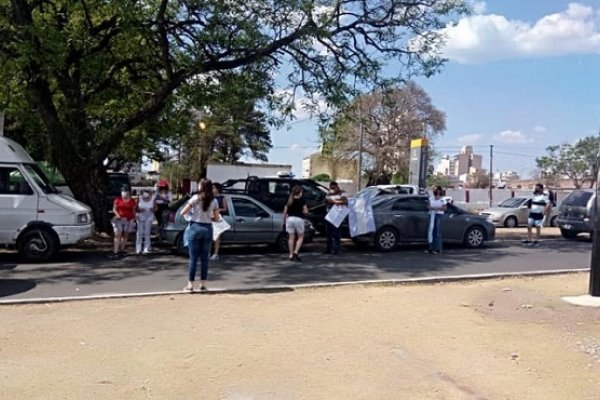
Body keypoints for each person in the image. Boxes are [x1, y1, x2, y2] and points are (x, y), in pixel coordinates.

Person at [179, 179, 219, 292]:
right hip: (207, 228)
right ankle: (203, 284)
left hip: (195, 226)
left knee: (193, 258)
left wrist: (191, 217)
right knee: (205, 258)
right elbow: (216, 218)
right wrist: (209, 218)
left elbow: (183, 212)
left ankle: (190, 285)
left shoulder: (196, 198)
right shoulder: (214, 201)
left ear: (201, 187)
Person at [283, 185, 309, 262]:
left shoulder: (289, 200)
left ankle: (290, 254)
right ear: (300, 192)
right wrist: (305, 212)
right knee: (300, 237)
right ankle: (296, 252)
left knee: (291, 238)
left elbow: (285, 212)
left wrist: (284, 222)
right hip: (298, 219)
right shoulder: (302, 200)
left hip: (289, 219)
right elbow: (306, 211)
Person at [111, 185, 136, 258]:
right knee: (118, 234)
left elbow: (133, 210)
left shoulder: (132, 201)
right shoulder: (117, 200)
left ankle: (122, 249)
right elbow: (114, 209)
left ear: (128, 193)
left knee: (126, 234)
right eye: (122, 191)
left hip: (129, 219)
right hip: (119, 219)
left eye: (125, 191)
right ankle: (115, 251)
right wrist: (117, 214)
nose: (124, 193)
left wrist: (135, 218)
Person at [324, 181, 348, 254]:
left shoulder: (342, 193)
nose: (332, 189)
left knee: (337, 233)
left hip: (338, 215)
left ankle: (336, 249)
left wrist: (336, 202)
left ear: (337, 187)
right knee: (329, 233)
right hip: (330, 215)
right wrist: (335, 201)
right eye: (331, 188)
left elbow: (345, 201)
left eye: (334, 188)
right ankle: (328, 249)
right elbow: (327, 200)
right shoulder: (328, 194)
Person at [426, 186, 447, 255]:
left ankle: (438, 249)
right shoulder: (431, 198)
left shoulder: (442, 199)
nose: (436, 191)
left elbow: (444, 208)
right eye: (434, 190)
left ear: (440, 191)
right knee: (431, 231)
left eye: (437, 190)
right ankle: (430, 248)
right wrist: (433, 208)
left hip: (439, 216)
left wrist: (436, 208)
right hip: (432, 215)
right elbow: (428, 206)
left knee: (437, 232)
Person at [210, 183, 228, 261]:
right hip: (209, 218)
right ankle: (207, 252)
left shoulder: (222, 198)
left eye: (214, 188)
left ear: (217, 189)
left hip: (218, 218)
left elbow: (225, 209)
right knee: (209, 236)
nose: (212, 189)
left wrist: (218, 210)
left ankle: (216, 254)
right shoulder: (210, 198)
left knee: (216, 236)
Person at [135, 188, 157, 255]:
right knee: (140, 233)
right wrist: (139, 210)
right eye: (145, 192)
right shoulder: (139, 198)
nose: (146, 193)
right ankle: (138, 249)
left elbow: (156, 207)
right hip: (140, 216)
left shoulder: (152, 199)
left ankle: (146, 248)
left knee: (147, 232)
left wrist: (152, 209)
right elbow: (135, 207)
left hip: (149, 216)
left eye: (147, 192)